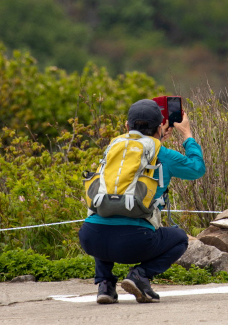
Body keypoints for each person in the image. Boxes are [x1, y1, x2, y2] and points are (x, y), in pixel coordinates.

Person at [78, 99, 205, 303]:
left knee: (105, 217)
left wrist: (157, 137)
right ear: (159, 128)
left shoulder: (113, 148)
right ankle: (140, 275)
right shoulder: (163, 154)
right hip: (134, 243)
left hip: (91, 239)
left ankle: (105, 285)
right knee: (180, 238)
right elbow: (197, 168)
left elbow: (137, 158)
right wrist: (187, 134)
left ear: (127, 127)